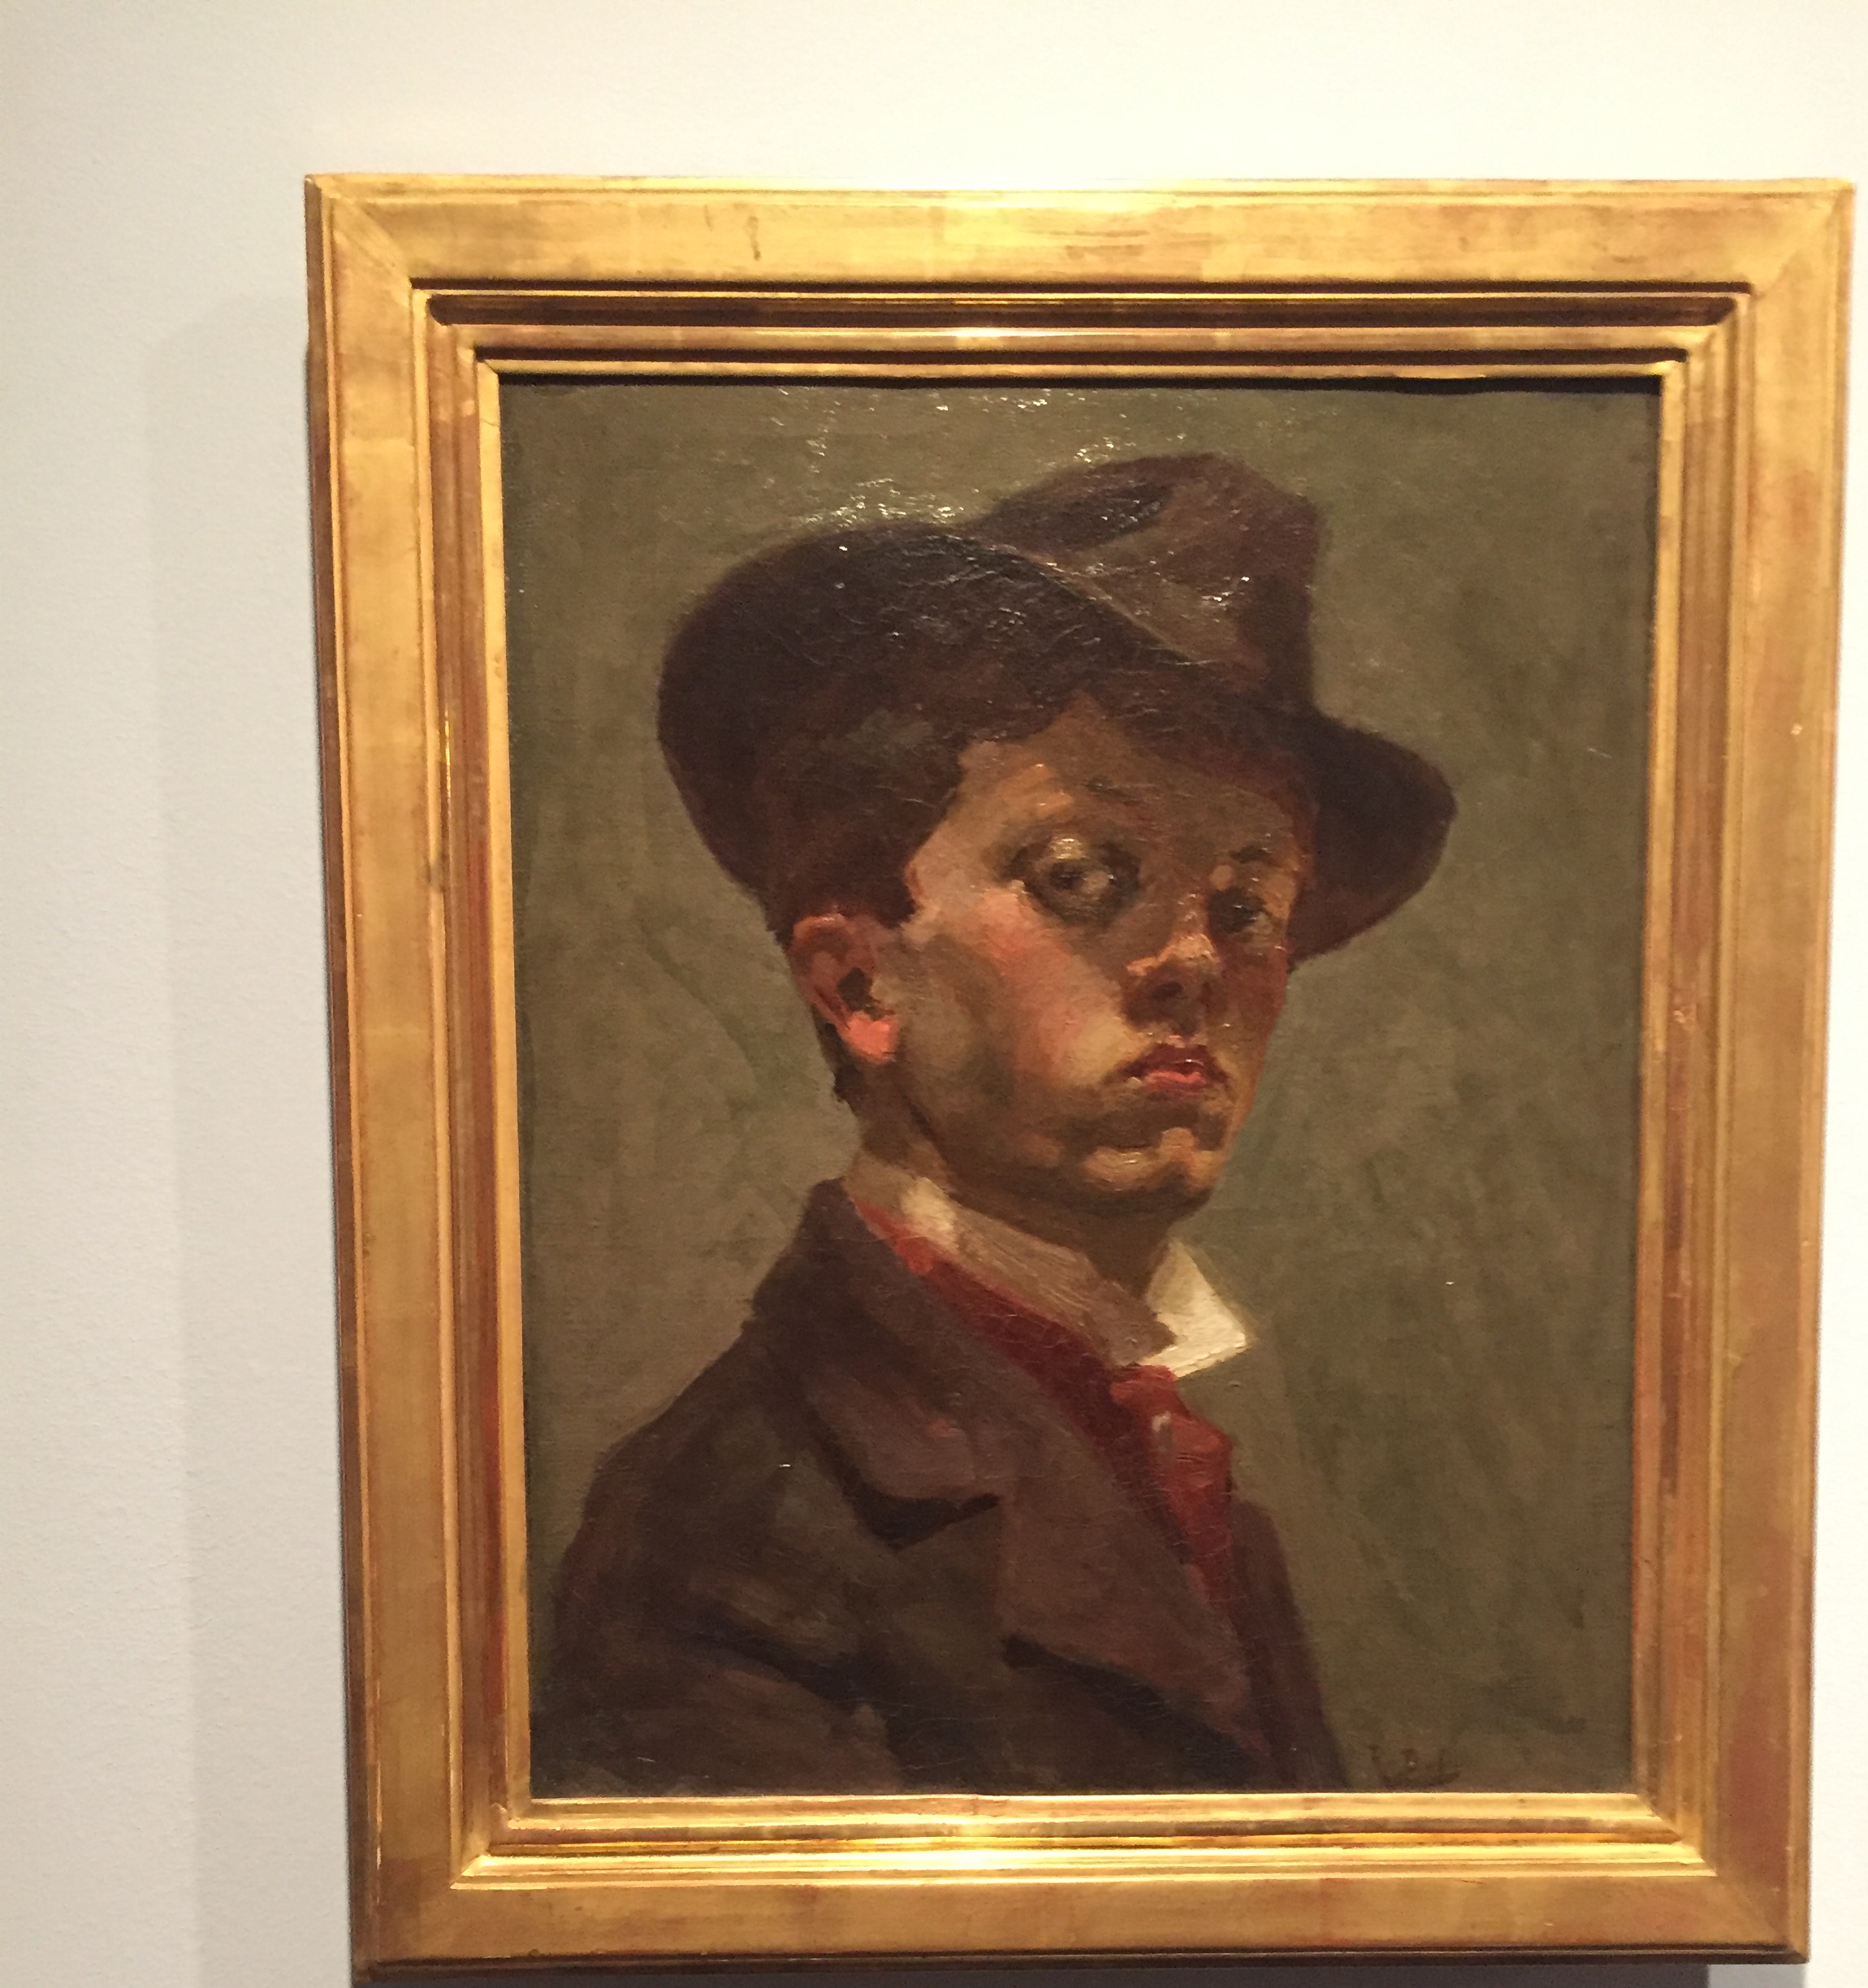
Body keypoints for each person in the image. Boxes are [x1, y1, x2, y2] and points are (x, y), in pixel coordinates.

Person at [534, 453, 1454, 1795]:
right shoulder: (726, 1539)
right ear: (859, 984)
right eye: (1082, 876)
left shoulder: (1194, 1488)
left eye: (1249, 907)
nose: (1195, 963)